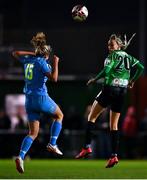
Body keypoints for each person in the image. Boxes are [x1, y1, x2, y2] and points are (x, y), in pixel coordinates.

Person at [75, 33, 144, 168]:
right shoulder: (128, 57)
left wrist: (95, 79)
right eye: (108, 45)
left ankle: (86, 147)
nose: (109, 47)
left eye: (111, 45)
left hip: (110, 89)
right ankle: (114, 156)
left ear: (118, 45)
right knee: (114, 125)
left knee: (91, 117)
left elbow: (106, 71)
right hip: (123, 91)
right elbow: (141, 68)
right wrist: (132, 81)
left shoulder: (111, 56)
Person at [12, 32, 64, 173]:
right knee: (59, 115)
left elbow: (15, 53)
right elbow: (54, 78)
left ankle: (21, 157)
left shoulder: (29, 60)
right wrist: (56, 62)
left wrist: (34, 53)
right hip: (40, 98)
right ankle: (53, 143)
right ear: (46, 55)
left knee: (33, 133)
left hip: (29, 101)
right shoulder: (42, 63)